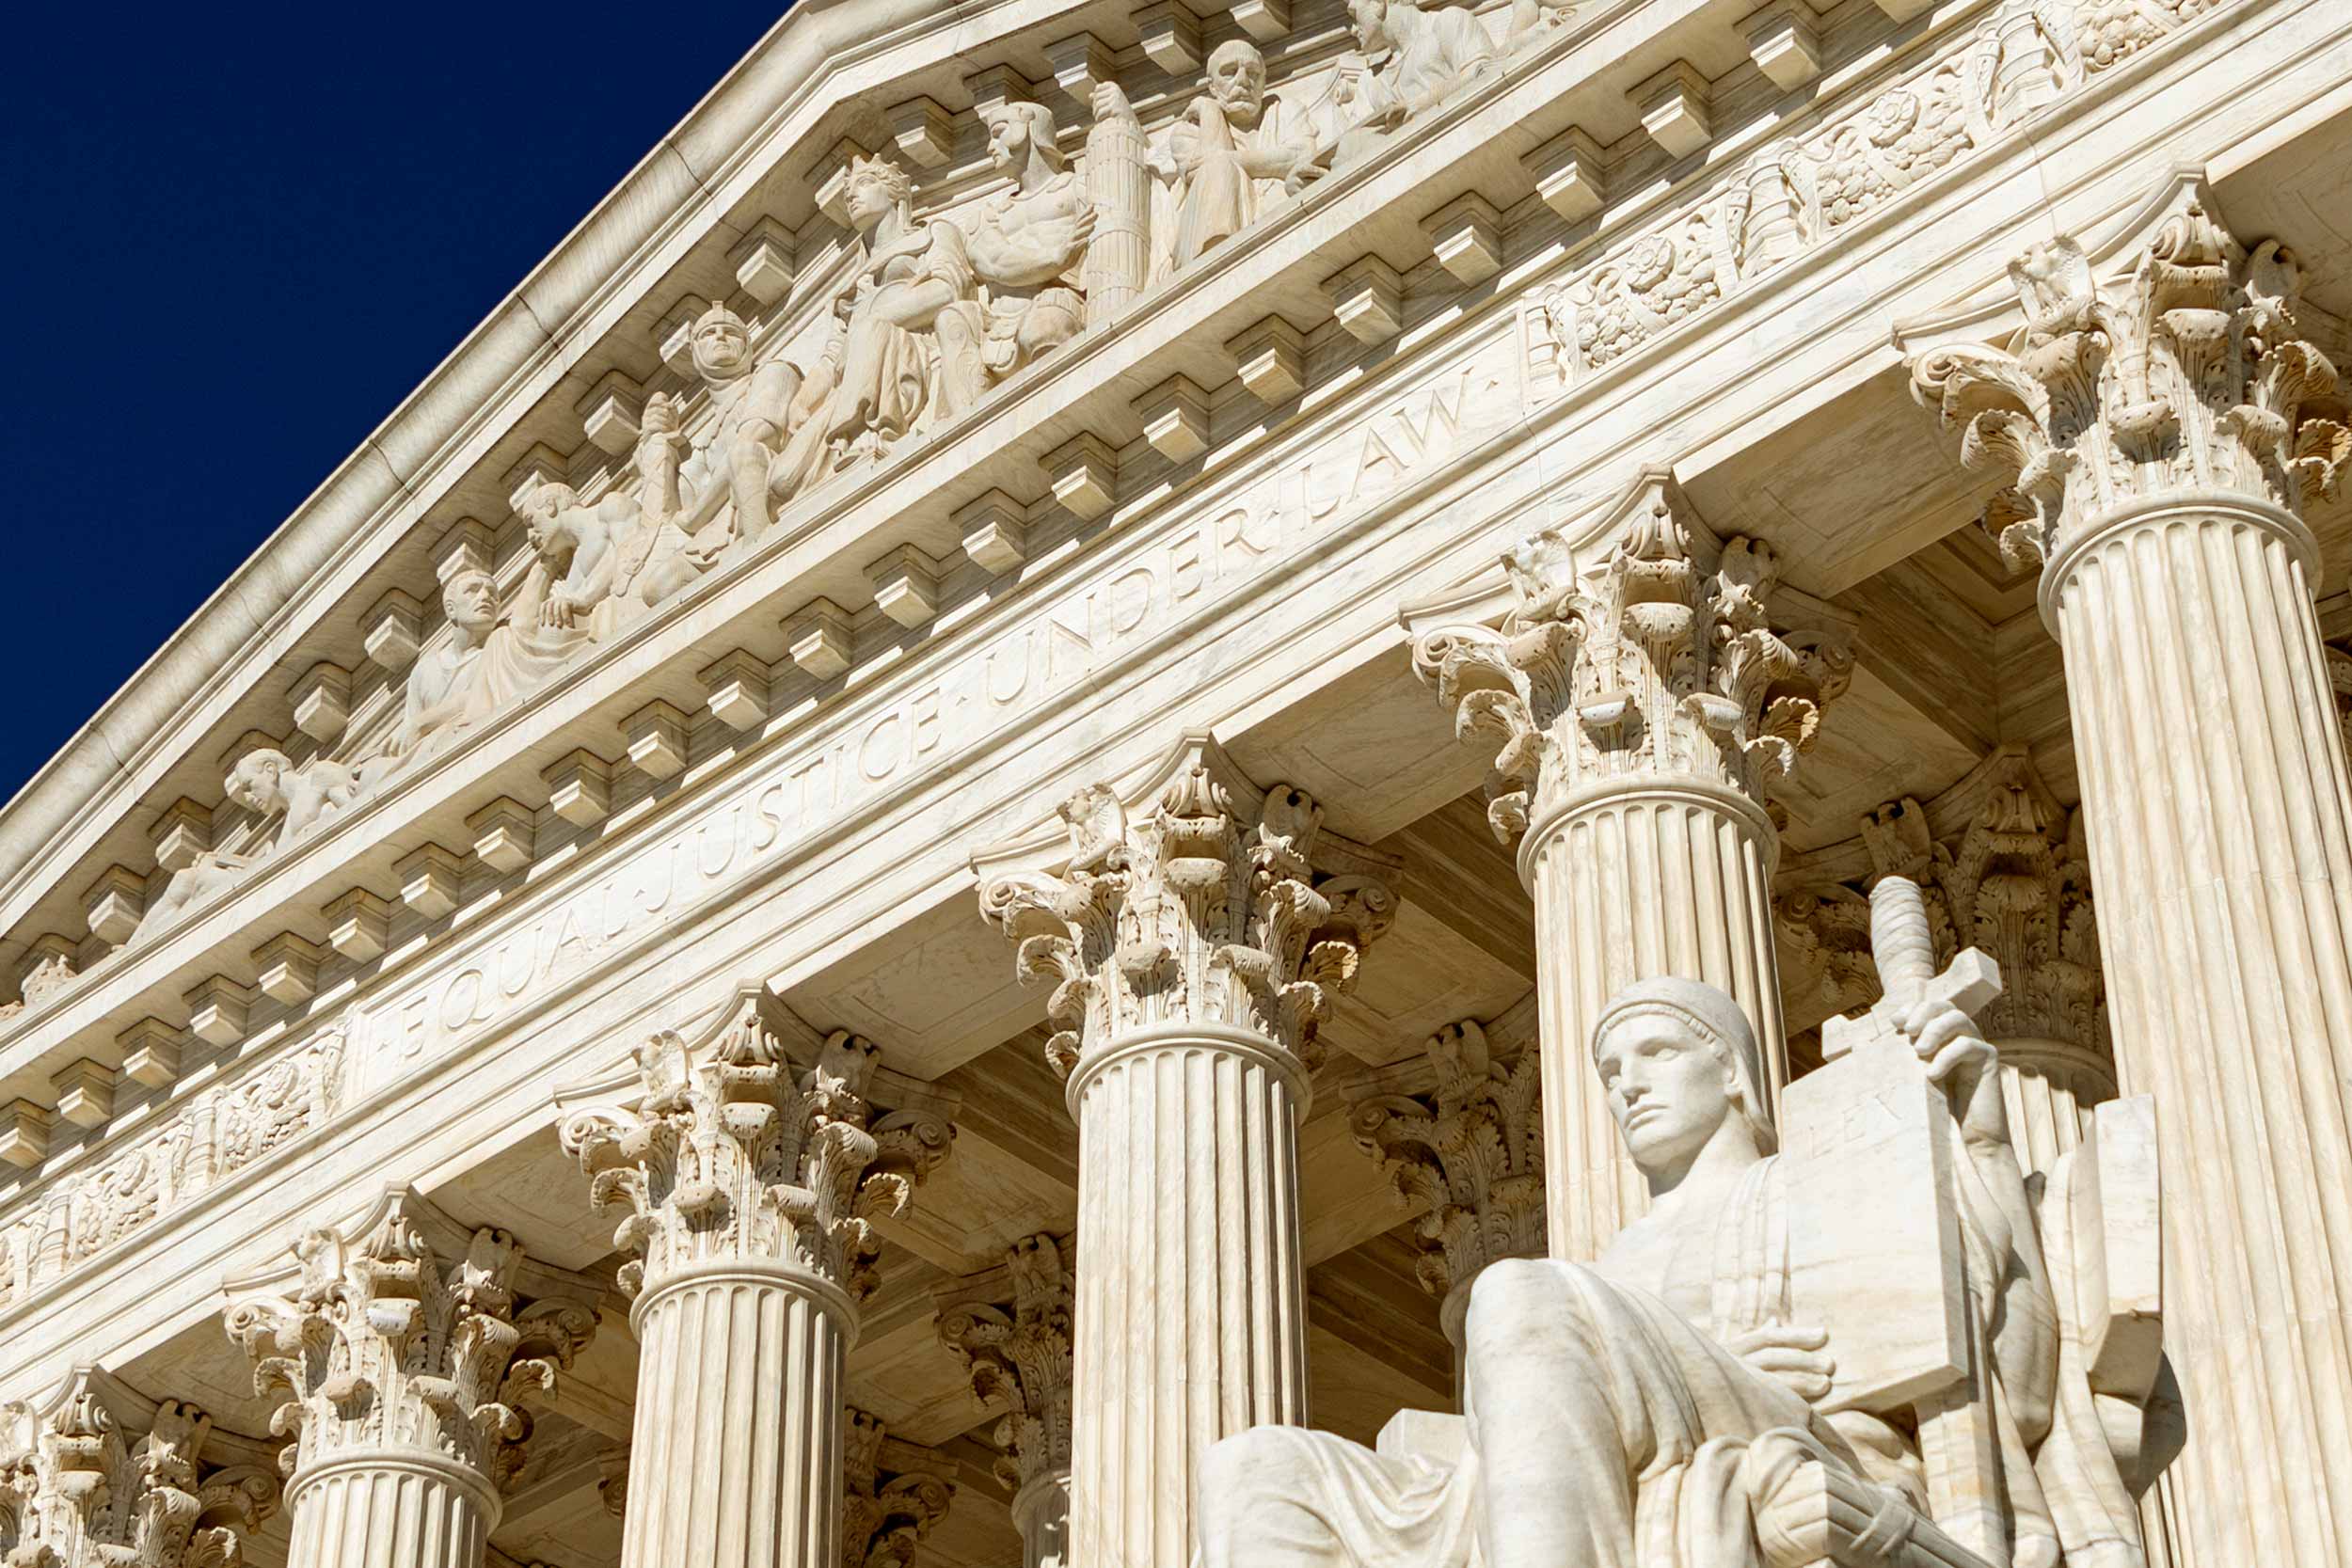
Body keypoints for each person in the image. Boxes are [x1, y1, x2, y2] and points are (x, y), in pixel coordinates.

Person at [1196, 974, 2144, 1568]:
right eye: (1610, 1068)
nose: (1625, 1083)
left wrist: (1975, 1145)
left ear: (1732, 1070)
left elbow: (2011, 1388)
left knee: (1520, 1287)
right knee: (1258, 1466)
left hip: (1805, 1431)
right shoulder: (1616, 1259)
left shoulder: (1811, 1186)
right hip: (1597, 1471)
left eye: (1654, 1052)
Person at [1153, 40, 1314, 272]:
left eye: (1253, 73)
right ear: (1212, 86)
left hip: (1281, 240)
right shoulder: (1188, 132)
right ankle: (1217, 270)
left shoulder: (1284, 111)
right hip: (1200, 253)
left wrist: (1233, 159)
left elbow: (1303, 154)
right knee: (1218, 169)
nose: (1242, 80)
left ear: (1263, 83)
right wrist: (1210, 111)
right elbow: (1210, 172)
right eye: (1229, 73)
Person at [962, 100, 1093, 376]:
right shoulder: (989, 215)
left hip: (1059, 305)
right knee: (954, 325)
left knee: (1046, 324)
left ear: (1029, 129)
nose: (989, 147)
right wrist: (1055, 258)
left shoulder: (1078, 189)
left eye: (999, 133)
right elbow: (995, 263)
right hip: (999, 323)